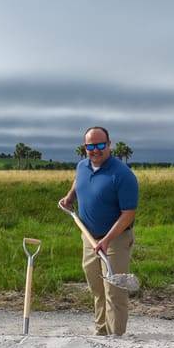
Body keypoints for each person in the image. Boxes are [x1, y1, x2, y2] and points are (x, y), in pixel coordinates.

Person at [60, 126, 139, 335]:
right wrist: (69, 198)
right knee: (97, 289)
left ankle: (116, 337)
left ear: (109, 145)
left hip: (116, 240)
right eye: (90, 146)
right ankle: (101, 333)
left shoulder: (123, 175)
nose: (95, 150)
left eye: (100, 145)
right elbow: (78, 182)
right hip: (88, 237)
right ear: (85, 147)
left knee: (114, 291)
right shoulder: (82, 166)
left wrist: (106, 240)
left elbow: (128, 214)